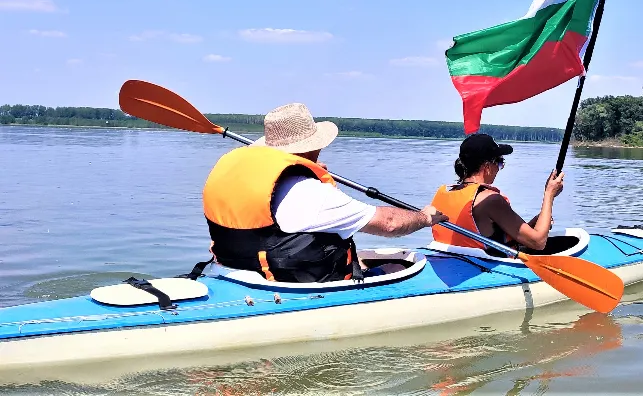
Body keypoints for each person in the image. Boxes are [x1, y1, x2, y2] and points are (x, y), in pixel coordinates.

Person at [201, 102, 448, 283]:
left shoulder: (241, 179)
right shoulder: (310, 193)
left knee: (359, 260)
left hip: (235, 273)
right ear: (314, 146)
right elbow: (390, 224)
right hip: (291, 286)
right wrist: (424, 217)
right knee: (396, 267)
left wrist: (308, 172)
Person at [429, 133, 565, 254]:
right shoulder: (490, 200)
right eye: (500, 162)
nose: (500, 168)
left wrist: (534, 224)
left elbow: (495, 239)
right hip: (485, 267)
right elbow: (538, 242)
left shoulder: (445, 193)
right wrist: (549, 194)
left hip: (454, 260)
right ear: (487, 167)